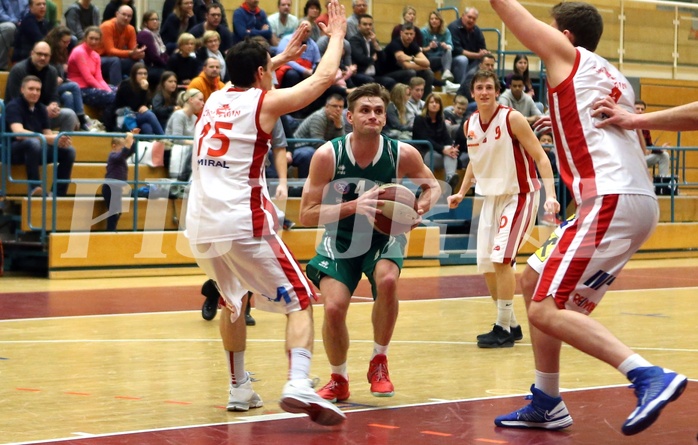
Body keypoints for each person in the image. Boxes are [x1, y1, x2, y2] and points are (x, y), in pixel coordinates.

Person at [489, 0, 687, 434]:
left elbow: (505, 8)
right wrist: (557, 124)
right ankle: (547, 400)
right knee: (533, 277)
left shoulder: (565, 54)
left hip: (610, 198)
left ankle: (647, 375)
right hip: (630, 198)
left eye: (551, 28)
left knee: (544, 308)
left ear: (565, 36)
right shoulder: (611, 74)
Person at [184, 1, 348, 424]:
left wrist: (280, 57)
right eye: (268, 70)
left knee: (233, 300)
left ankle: (239, 388)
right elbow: (324, 78)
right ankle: (297, 382)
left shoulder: (215, 96)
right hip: (242, 220)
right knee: (301, 302)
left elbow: (248, 73)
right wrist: (339, 36)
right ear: (261, 75)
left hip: (201, 223)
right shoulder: (264, 104)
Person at [299, 83, 440, 402]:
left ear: (385, 118)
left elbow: (432, 186)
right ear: (349, 116)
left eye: (378, 111)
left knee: (388, 279)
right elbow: (306, 215)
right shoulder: (328, 155)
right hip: (341, 237)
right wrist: (353, 206)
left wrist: (420, 206)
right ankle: (339, 378)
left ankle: (379, 361)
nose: (373, 115)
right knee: (333, 309)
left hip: (384, 236)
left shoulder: (401, 152)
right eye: (365, 110)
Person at [447, 70, 558, 348]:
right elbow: (475, 159)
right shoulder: (469, 124)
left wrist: (551, 196)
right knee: (487, 265)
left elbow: (542, 158)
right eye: (479, 88)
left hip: (519, 195)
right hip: (491, 197)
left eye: (489, 87)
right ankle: (513, 324)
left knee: (501, 259)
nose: (484, 92)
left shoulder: (513, 119)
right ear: (472, 93)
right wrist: (462, 190)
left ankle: (501, 328)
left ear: (497, 91)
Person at [5, 76, 76, 197]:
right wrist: (49, 138)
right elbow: (19, 133)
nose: (35, 92)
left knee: (69, 151)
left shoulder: (41, 108)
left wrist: (59, 140)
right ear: (22, 90)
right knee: (33, 143)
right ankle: (35, 187)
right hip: (12, 151)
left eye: (38, 90)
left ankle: (58, 194)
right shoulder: (13, 106)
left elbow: (47, 134)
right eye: (31, 89)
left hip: (35, 150)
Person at [5, 41, 80, 133]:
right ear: (32, 53)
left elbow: (54, 96)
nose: (42, 58)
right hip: (21, 117)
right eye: (39, 54)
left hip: (43, 115)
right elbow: (16, 99)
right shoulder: (18, 70)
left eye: (46, 55)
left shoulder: (52, 72)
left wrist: (54, 105)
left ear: (50, 56)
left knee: (69, 115)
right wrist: (44, 110)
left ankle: (61, 145)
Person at [44, 27, 91, 131]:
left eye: (68, 42)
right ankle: (81, 117)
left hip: (59, 86)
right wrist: (54, 78)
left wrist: (63, 78)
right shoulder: (47, 52)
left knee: (68, 96)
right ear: (56, 40)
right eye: (64, 42)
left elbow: (61, 74)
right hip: (49, 87)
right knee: (74, 86)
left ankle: (71, 127)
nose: (67, 45)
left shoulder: (62, 51)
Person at [289, 94, 345, 178]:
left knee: (341, 155)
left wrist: (338, 127)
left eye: (341, 107)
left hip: (319, 147)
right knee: (311, 153)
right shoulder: (319, 117)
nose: (338, 109)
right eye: (335, 106)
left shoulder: (340, 120)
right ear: (327, 106)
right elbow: (317, 144)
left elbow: (342, 143)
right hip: (300, 146)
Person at [412, 93, 459, 190]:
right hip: (424, 153)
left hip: (439, 152)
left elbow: (446, 137)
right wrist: (443, 149)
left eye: (437, 102)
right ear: (427, 105)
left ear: (440, 106)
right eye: (431, 102)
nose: (434, 104)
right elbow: (425, 139)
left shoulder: (440, 120)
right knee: (448, 153)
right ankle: (449, 181)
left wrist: (451, 147)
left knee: (452, 154)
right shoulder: (419, 119)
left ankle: (450, 179)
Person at [68, 26, 118, 114]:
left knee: (119, 92)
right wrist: (105, 91)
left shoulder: (96, 55)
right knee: (112, 97)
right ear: (85, 38)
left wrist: (107, 90)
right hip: (80, 88)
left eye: (96, 39)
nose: (93, 42)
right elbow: (88, 78)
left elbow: (99, 78)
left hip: (92, 87)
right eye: (91, 38)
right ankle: (107, 123)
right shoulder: (79, 52)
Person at [382, 22, 434, 96]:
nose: (409, 36)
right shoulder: (395, 44)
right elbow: (406, 66)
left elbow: (427, 62)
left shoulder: (413, 45)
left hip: (402, 71)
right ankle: (407, 99)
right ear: (401, 33)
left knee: (428, 73)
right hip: (388, 72)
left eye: (411, 34)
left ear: (414, 34)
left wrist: (411, 58)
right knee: (410, 72)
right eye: (406, 34)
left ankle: (424, 101)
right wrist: (423, 66)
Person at [99, 5, 146, 84]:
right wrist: (130, 53)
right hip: (99, 59)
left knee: (139, 61)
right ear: (117, 14)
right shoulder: (107, 26)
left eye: (129, 16)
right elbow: (110, 51)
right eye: (123, 14)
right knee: (115, 60)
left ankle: (140, 88)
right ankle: (118, 91)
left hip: (117, 58)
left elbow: (133, 49)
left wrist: (138, 54)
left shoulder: (131, 29)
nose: (126, 18)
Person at [448, 7, 488, 98]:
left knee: (485, 62)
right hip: (455, 61)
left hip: (472, 62)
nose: (471, 20)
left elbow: (482, 47)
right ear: (463, 16)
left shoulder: (477, 30)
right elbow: (458, 50)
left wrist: (484, 53)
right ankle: (462, 91)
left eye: (474, 19)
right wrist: (478, 55)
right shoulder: (453, 27)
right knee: (463, 60)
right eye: (469, 17)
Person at [348, 14, 395, 91]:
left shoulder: (373, 40)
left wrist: (375, 44)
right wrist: (373, 59)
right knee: (370, 81)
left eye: (370, 24)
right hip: (359, 73)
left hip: (374, 74)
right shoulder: (354, 40)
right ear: (359, 26)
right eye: (365, 24)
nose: (368, 27)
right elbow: (361, 59)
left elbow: (383, 59)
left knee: (390, 81)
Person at [165, 88, 204, 181]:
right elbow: (176, 139)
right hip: (170, 150)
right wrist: (195, 143)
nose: (203, 103)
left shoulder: (195, 118)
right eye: (200, 100)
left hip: (188, 151)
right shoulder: (179, 115)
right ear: (191, 100)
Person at [114, 63, 164, 135]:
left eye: (145, 74)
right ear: (134, 75)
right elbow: (134, 106)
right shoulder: (126, 85)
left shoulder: (145, 86)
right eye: (140, 73)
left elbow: (148, 104)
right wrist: (143, 91)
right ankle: (163, 138)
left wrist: (145, 105)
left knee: (147, 127)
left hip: (138, 116)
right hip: (126, 116)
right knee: (149, 115)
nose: (143, 76)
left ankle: (155, 143)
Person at [102, 130, 138, 231]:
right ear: (114, 146)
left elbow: (130, 151)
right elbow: (123, 154)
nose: (124, 149)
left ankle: (111, 229)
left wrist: (133, 139)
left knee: (117, 210)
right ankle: (111, 231)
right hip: (110, 187)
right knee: (114, 211)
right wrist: (128, 143)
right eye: (121, 147)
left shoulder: (121, 157)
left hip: (117, 187)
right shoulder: (113, 156)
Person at [634, 100, 673, 190]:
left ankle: (662, 186)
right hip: (631, 159)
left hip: (643, 158)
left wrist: (661, 149)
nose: (640, 111)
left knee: (664, 155)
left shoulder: (645, 127)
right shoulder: (626, 126)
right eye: (637, 109)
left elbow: (650, 145)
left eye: (642, 109)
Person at [421, 10, 455, 82]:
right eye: (432, 19)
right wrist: (429, 47)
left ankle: (447, 72)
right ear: (429, 21)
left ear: (440, 21)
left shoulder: (446, 31)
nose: (434, 21)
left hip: (440, 57)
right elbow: (420, 49)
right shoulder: (423, 32)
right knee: (446, 62)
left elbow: (451, 46)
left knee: (448, 52)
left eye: (436, 19)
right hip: (428, 58)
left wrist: (446, 46)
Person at [137, 10, 169, 87]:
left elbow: (163, 52)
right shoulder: (145, 34)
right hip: (149, 67)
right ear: (145, 22)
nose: (155, 22)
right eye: (152, 19)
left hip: (158, 65)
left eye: (157, 19)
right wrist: (167, 65)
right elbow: (153, 56)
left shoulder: (156, 35)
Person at [0, 0, 28, 70]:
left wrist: (23, 22)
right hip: (3, 24)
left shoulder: (25, 1)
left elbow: (28, 14)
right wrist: (15, 21)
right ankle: (2, 66)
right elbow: (1, 14)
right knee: (9, 27)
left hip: (20, 25)